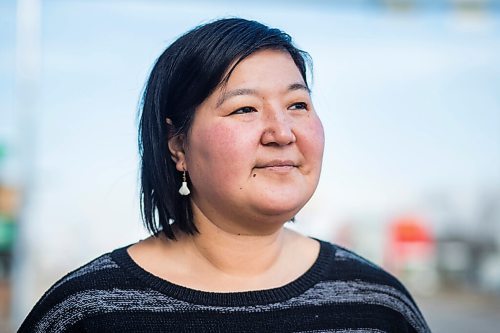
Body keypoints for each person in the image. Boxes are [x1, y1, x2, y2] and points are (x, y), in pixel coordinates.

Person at [19, 18, 431, 333]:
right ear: (177, 145)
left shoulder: (378, 303)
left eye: (298, 105)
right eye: (244, 109)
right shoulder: (88, 312)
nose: (282, 132)